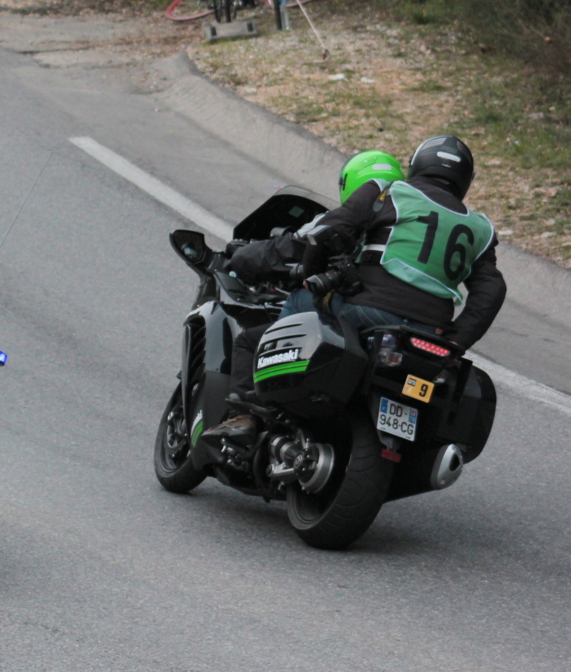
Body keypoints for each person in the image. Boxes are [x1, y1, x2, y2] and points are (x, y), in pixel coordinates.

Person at [206, 137, 507, 446]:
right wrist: (457, 340)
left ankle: (252, 413)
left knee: (269, 325)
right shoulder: (480, 228)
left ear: (416, 165)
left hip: (366, 311)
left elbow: (327, 232)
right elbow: (492, 289)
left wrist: (310, 275)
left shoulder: (388, 191)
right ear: (466, 181)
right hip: (429, 333)